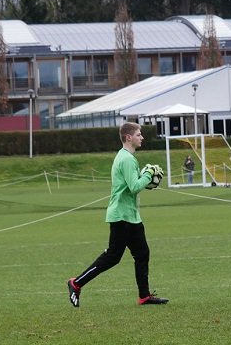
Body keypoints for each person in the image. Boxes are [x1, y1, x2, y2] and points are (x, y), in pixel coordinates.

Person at [66, 122, 169, 307]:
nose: (142, 137)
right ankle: (76, 283)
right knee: (113, 256)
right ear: (129, 137)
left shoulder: (126, 157)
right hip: (121, 216)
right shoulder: (127, 159)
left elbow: (134, 185)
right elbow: (135, 186)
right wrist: (149, 174)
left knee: (142, 253)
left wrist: (146, 177)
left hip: (131, 216)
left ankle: (144, 296)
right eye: (139, 134)